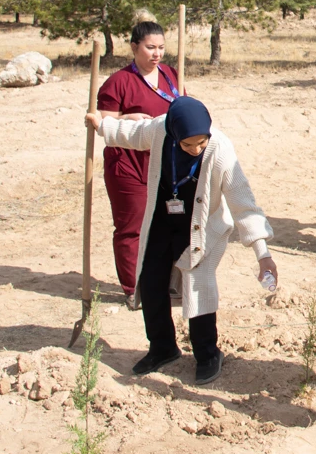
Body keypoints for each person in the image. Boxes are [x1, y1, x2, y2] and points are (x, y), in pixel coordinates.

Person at [87, 97, 277, 385]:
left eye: (201, 143)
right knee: (151, 283)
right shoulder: (161, 129)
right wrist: (102, 126)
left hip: (203, 226)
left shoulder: (220, 149)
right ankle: (162, 348)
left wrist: (262, 253)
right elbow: (133, 135)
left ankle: (207, 354)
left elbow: (243, 203)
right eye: (188, 145)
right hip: (163, 220)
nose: (196, 149)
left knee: (197, 286)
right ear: (175, 134)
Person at [96, 12, 183, 304]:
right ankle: (133, 288)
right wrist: (128, 117)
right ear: (134, 47)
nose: (157, 53)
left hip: (163, 162)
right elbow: (103, 124)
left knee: (168, 222)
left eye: (161, 47)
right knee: (132, 226)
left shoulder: (172, 75)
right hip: (127, 164)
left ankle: (164, 281)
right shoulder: (118, 82)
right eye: (150, 47)